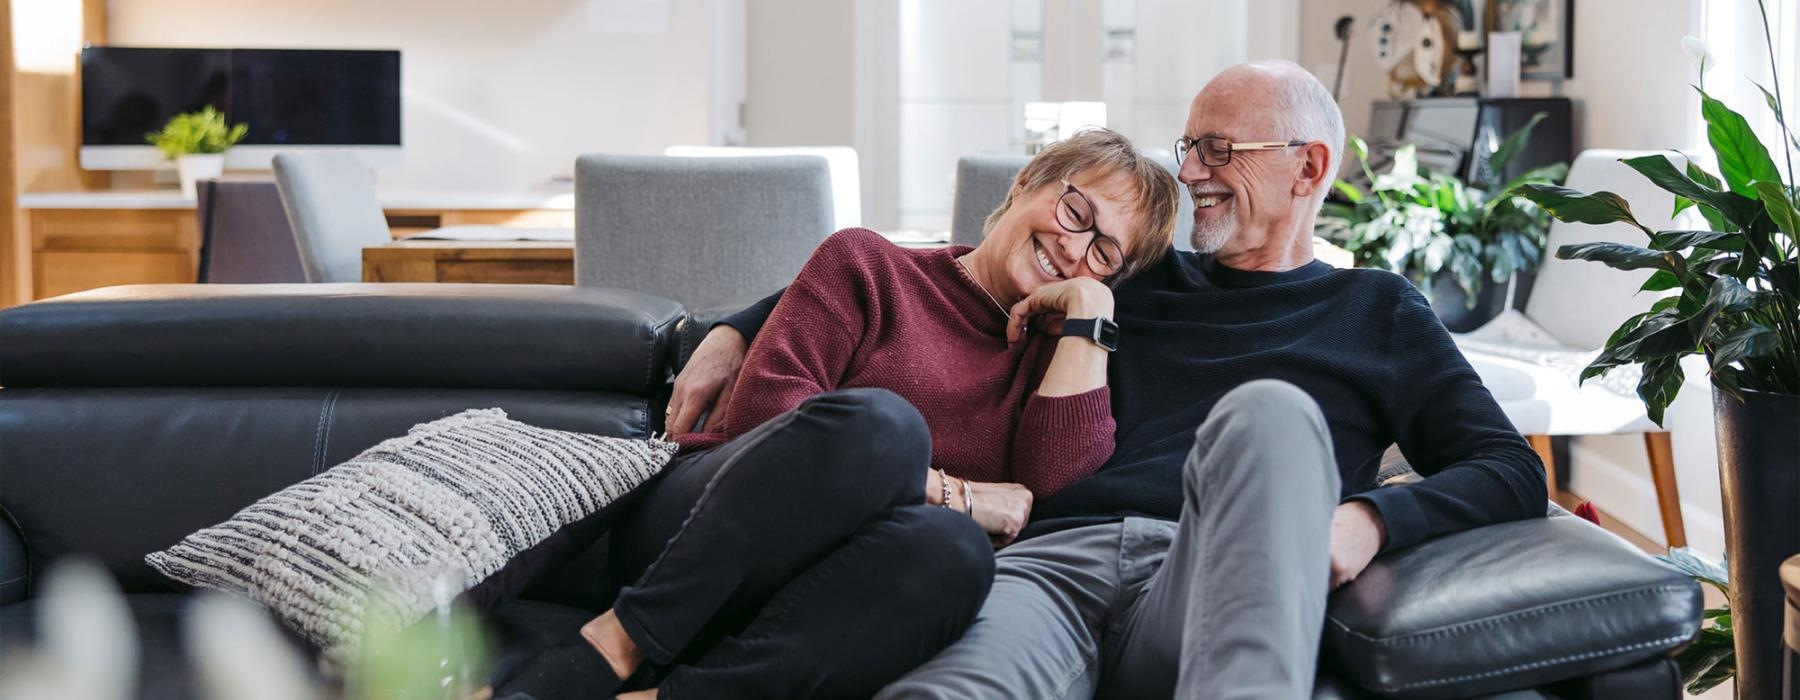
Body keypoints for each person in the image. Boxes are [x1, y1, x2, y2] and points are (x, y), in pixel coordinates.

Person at [669, 61, 1548, 699]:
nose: (1191, 171)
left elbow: (1509, 468)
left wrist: (1369, 518)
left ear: (1308, 167)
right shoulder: (1137, 269)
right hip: (1043, 565)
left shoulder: (1380, 312)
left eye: (1217, 148)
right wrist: (732, 324)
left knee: (1272, 415)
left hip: (1206, 569)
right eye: (1187, 146)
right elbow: (933, 275)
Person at [500, 128, 1180, 699]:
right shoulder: (869, 264)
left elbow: (1052, 497)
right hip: (704, 534)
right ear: (1029, 182)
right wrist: (959, 494)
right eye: (1075, 213)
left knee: (955, 555)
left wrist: (1088, 320)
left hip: (833, 597)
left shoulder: (1063, 366)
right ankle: (614, 644)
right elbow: (768, 422)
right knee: (881, 429)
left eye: (1104, 254)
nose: (1074, 249)